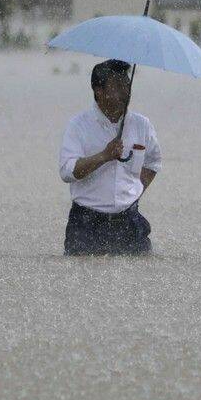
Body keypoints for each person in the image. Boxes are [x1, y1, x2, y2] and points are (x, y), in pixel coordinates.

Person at [59, 59, 162, 255]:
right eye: (118, 85)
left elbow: (153, 162)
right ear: (99, 90)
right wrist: (104, 156)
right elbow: (67, 171)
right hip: (86, 224)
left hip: (129, 222)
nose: (126, 91)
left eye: (127, 83)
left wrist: (134, 192)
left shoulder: (142, 125)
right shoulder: (78, 125)